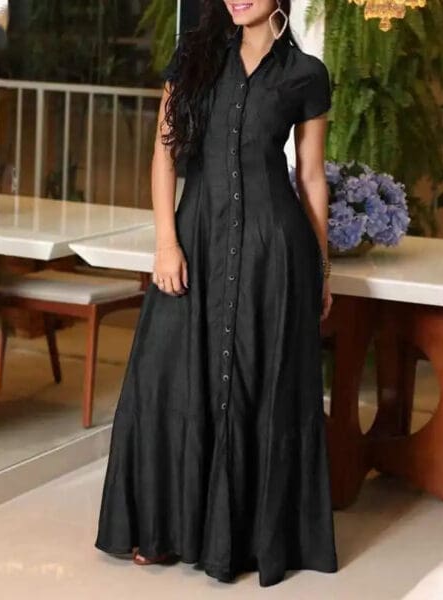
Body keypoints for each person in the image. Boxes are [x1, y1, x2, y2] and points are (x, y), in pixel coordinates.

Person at [95, 0, 338, 587]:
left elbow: (308, 175)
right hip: (196, 236)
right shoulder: (195, 56)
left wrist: (321, 268)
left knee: (260, 384)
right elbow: (164, 154)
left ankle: (248, 538)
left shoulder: (306, 73)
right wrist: (165, 243)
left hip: (271, 251)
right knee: (165, 375)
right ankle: (161, 529)